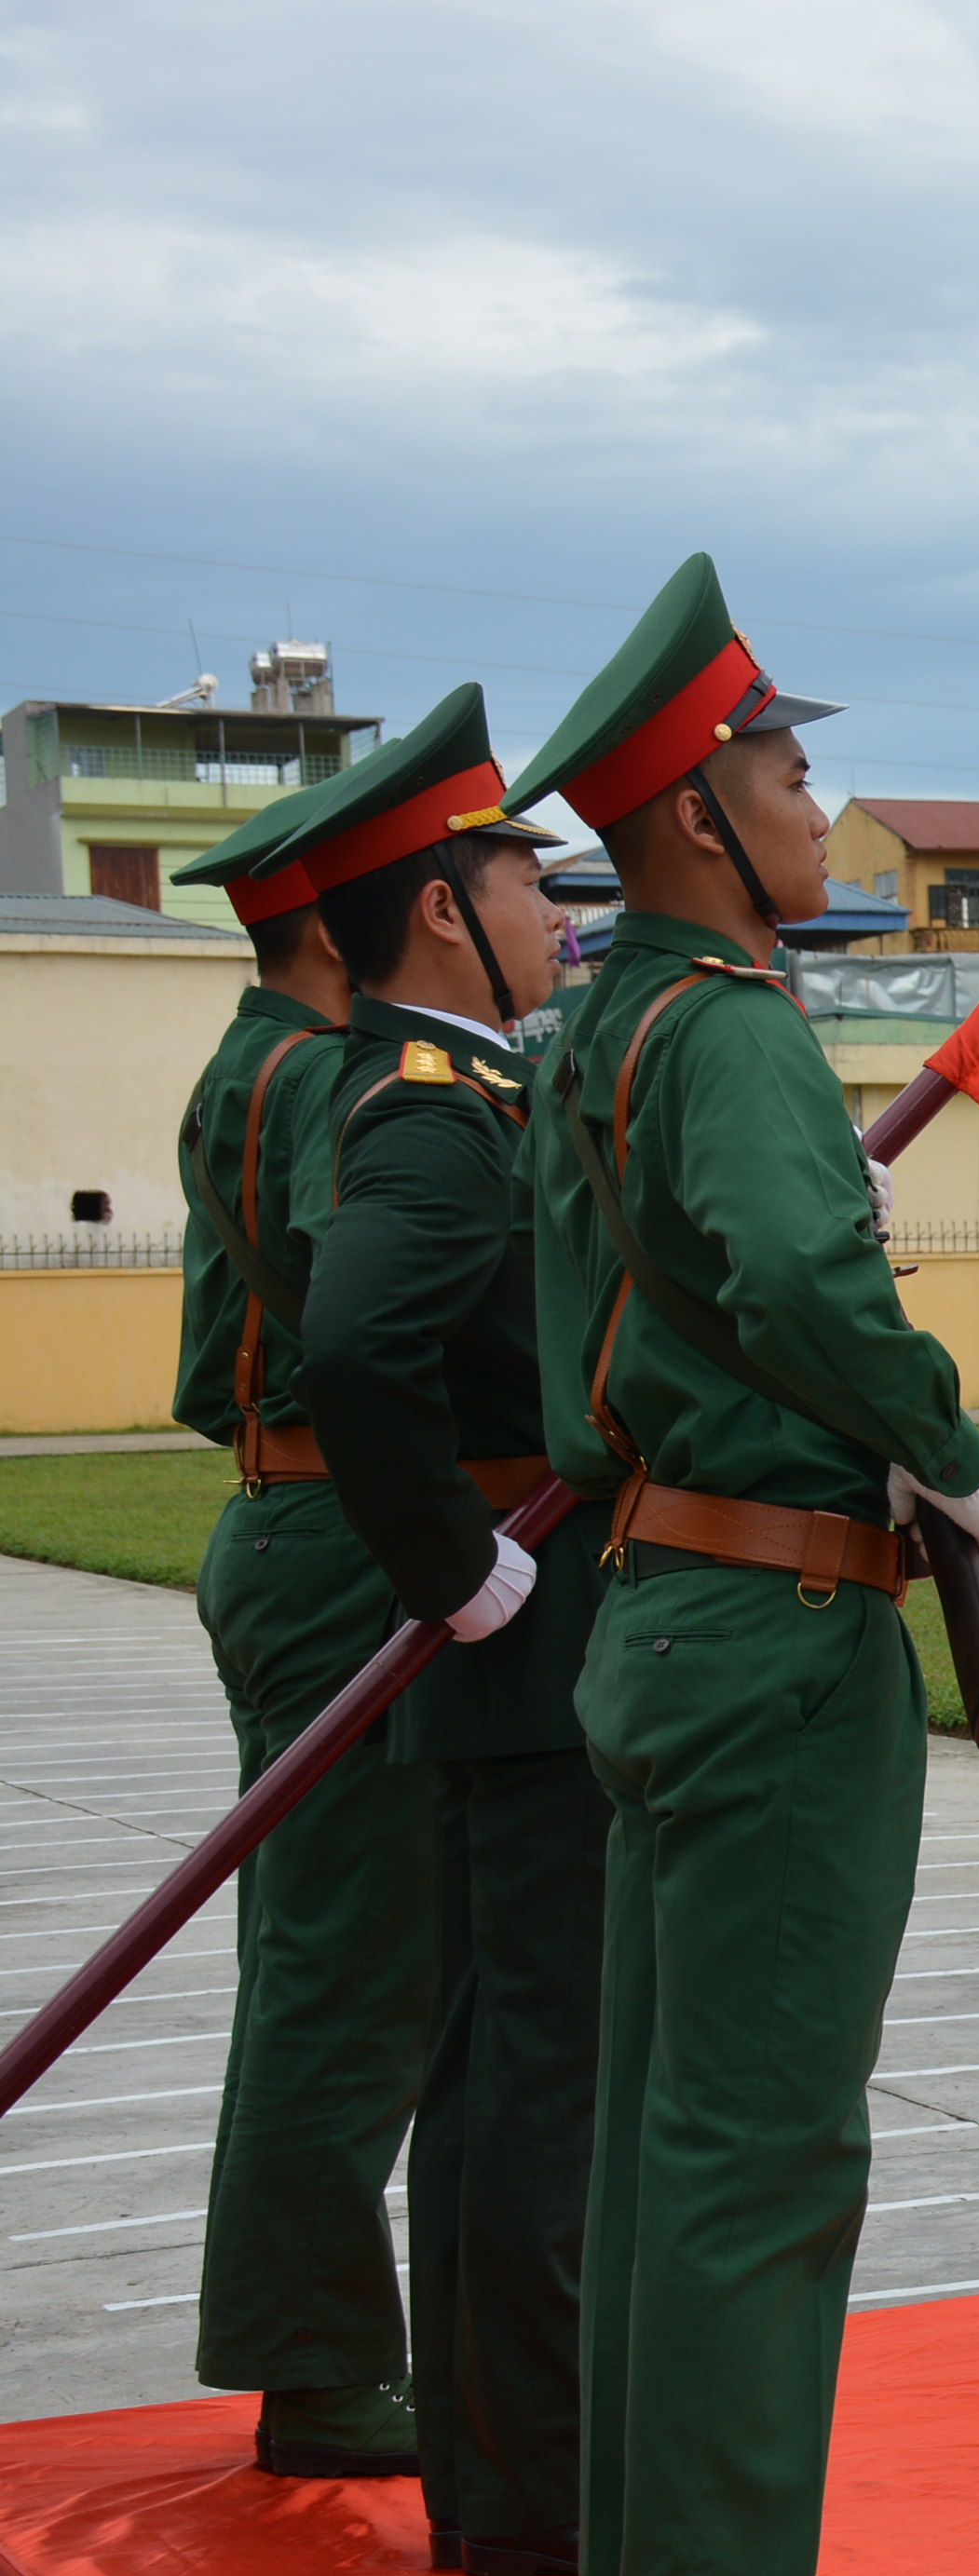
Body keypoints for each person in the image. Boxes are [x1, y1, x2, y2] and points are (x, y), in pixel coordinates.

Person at [507, 553, 979, 2576]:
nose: (817, 804)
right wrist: (948, 1450)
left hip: (662, 1598)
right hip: (779, 1616)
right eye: (792, 767)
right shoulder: (726, 1032)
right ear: (703, 810)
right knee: (760, 2140)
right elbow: (805, 1280)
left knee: (663, 2124)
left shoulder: (600, 1025)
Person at [267, 691, 612, 2576]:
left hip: (522, 1624)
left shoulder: (476, 1091)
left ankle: (505, 2473)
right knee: (538, 2070)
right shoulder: (424, 1112)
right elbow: (357, 1349)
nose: (557, 912)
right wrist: (454, 1567)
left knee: (506, 2066)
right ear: (437, 917)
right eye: (522, 882)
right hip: (531, 1632)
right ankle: (537, 2476)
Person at [163, 793, 443, 2486]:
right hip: (348, 1537)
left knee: (327, 1957)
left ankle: (310, 2346)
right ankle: (322, 2369)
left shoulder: (250, 1070)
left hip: (290, 1520)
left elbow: (217, 1371)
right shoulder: (323, 1084)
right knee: (350, 1972)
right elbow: (378, 1334)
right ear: (341, 928)